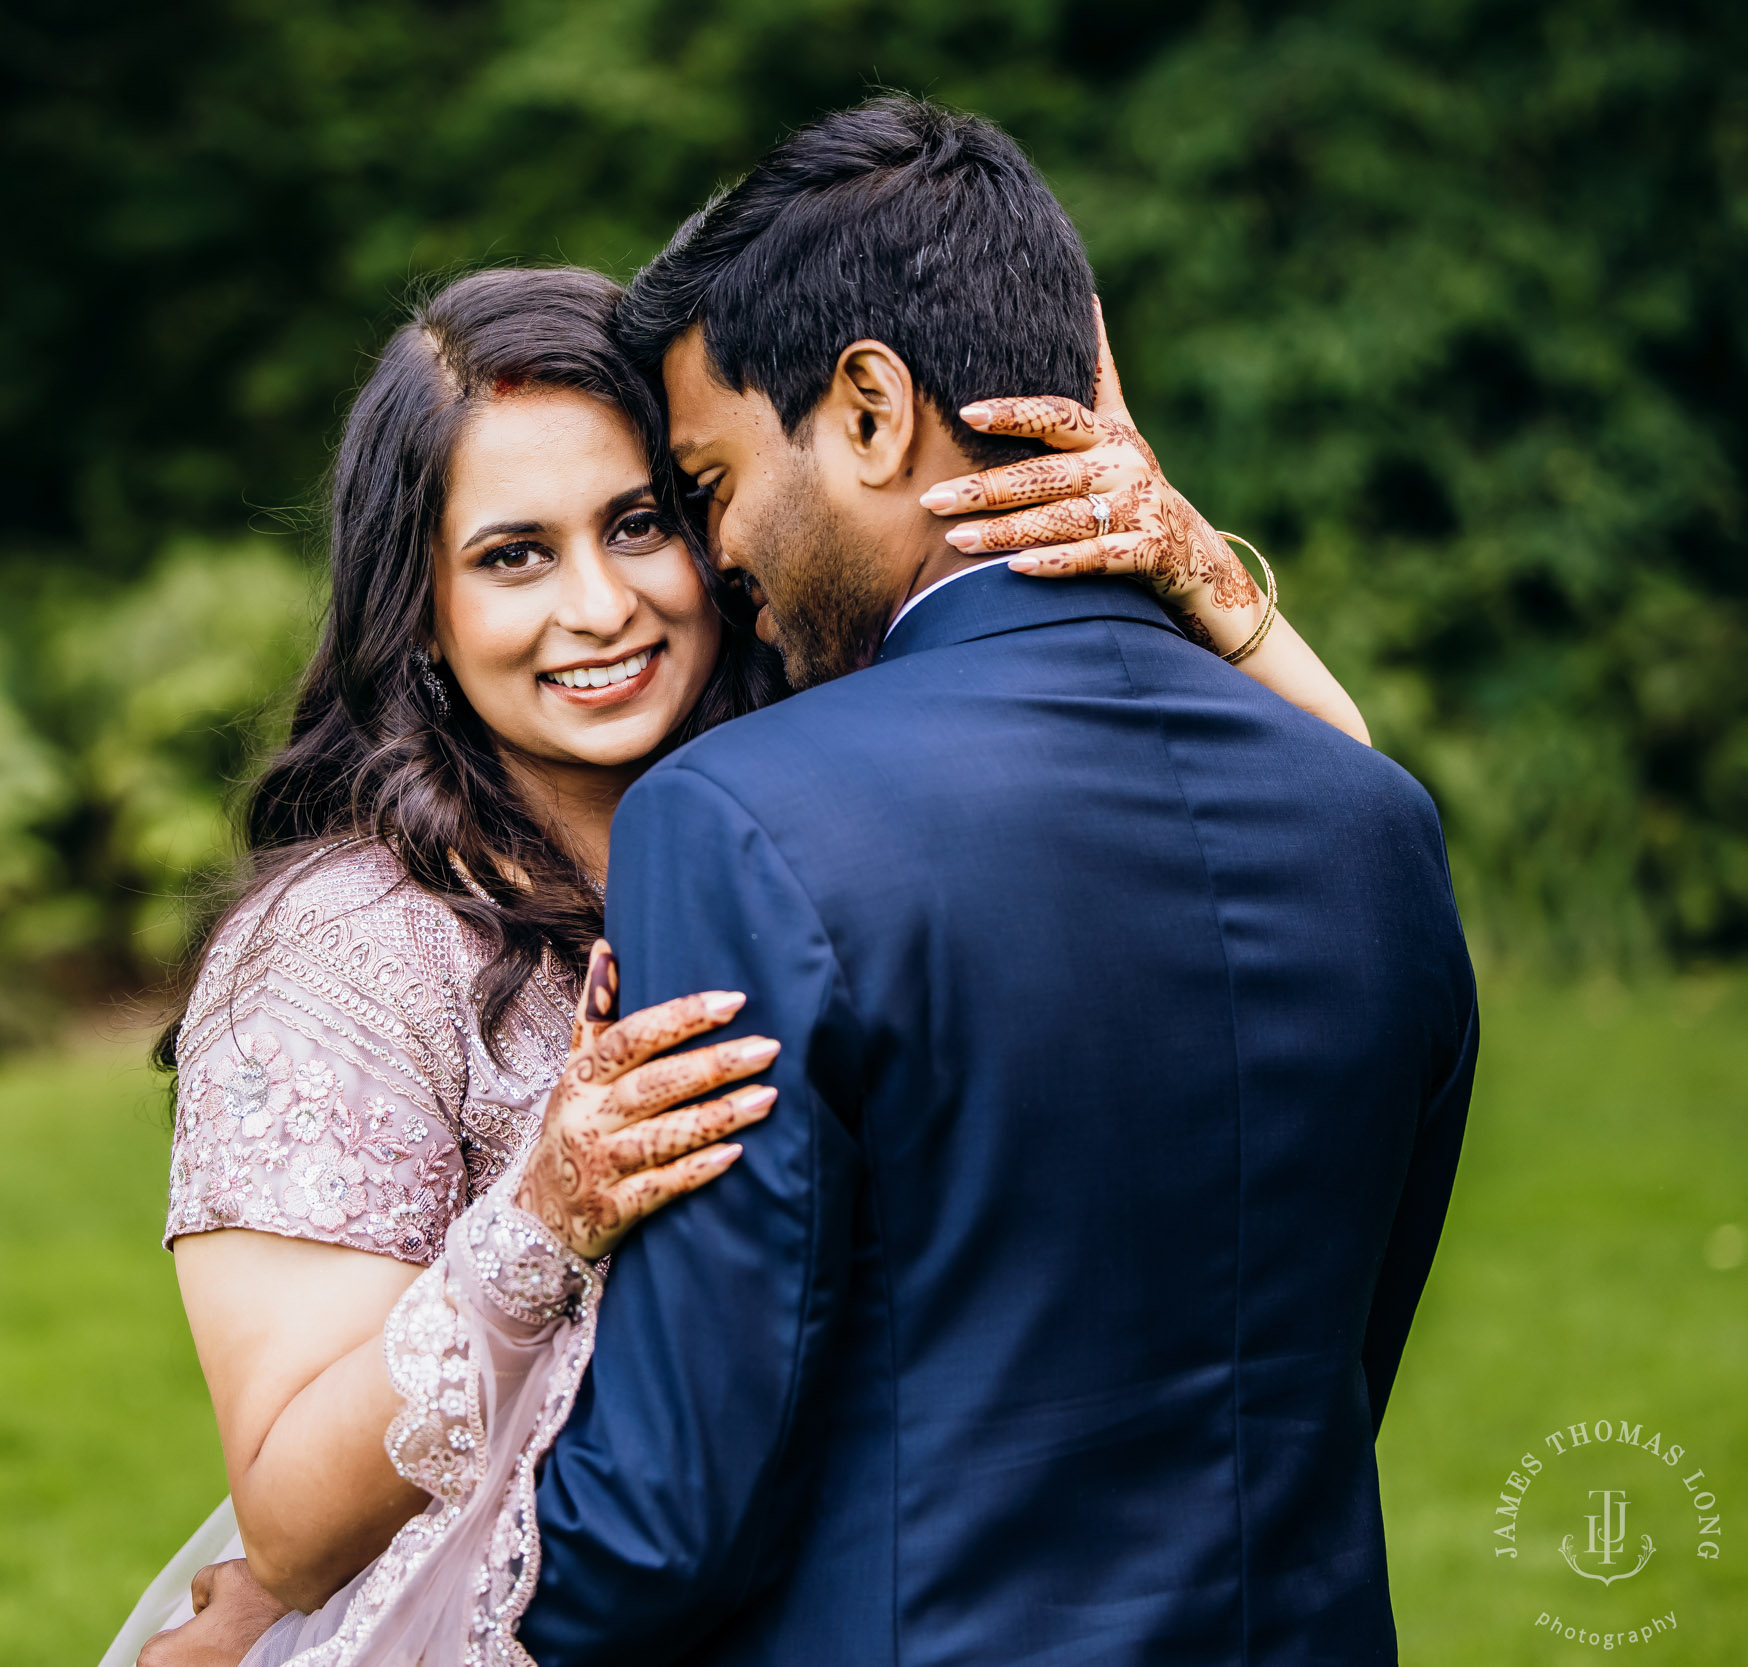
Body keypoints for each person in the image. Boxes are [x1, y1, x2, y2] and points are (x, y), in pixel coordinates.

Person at [116, 224, 1380, 1664]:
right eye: (515, 555)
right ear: (420, 609)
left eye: (642, 521)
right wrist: (541, 1219)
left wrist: (1184, 556)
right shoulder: (341, 954)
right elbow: (282, 1518)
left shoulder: (817, 800)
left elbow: (1339, 820)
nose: (600, 608)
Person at [489, 96, 1480, 1665]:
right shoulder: (1372, 825)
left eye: (713, 477)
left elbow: (671, 1515)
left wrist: (374, 1607)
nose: (718, 560)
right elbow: (1329, 1372)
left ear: (870, 413)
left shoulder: (738, 823)